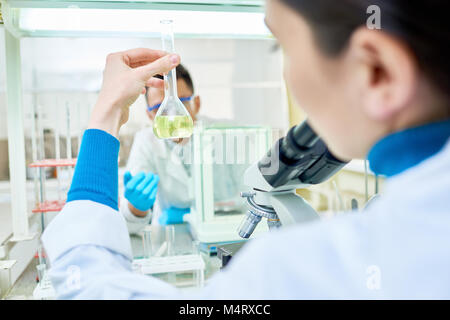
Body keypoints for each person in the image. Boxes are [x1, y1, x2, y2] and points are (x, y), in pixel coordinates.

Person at [42, 0, 450, 299]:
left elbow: (88, 286)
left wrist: (106, 112)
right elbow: (135, 216)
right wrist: (135, 209)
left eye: (284, 47)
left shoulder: (299, 274)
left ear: (378, 72)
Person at [120, 64, 201, 233]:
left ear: (196, 104)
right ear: (150, 115)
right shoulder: (145, 141)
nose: (172, 116)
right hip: (171, 235)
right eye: (160, 108)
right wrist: (137, 207)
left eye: (182, 102)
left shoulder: (222, 134)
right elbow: (128, 225)